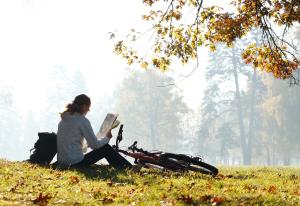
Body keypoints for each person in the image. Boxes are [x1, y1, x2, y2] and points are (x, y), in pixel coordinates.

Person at [56, 94, 132, 170]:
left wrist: (87, 145)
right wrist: (107, 138)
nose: (88, 110)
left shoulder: (63, 120)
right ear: (84, 106)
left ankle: (126, 167)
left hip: (62, 162)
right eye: (88, 108)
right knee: (105, 148)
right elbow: (95, 146)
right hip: (74, 163)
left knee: (101, 146)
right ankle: (129, 168)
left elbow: (72, 144)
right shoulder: (82, 121)